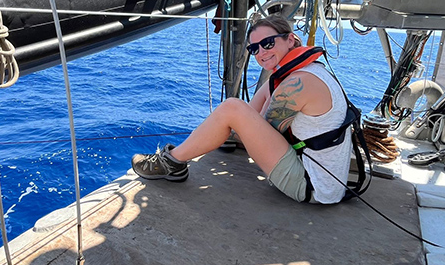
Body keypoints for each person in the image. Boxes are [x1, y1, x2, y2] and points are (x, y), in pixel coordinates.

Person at [131, 15, 354, 204]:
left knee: (232, 107)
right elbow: (260, 126)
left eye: (268, 43)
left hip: (311, 186)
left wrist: (232, 124)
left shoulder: (298, 84)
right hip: (322, 179)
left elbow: (264, 132)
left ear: (290, 40)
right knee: (252, 99)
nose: (261, 53)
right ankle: (220, 134)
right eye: (254, 48)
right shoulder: (307, 71)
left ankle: (170, 163)